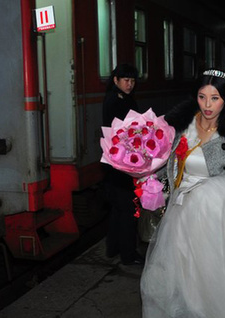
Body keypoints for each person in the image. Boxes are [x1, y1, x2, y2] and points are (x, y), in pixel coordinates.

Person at [140, 69, 225, 318]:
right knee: (180, 275)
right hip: (182, 212)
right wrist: (151, 183)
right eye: (202, 96)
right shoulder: (181, 125)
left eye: (215, 98)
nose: (207, 105)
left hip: (220, 216)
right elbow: (166, 165)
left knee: (214, 277)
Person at [102, 63, 144, 265]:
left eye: (133, 81)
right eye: (126, 80)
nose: (130, 84)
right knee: (127, 208)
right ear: (116, 80)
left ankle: (113, 248)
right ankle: (128, 254)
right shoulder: (118, 101)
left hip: (115, 162)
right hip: (122, 162)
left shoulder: (118, 98)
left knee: (119, 208)